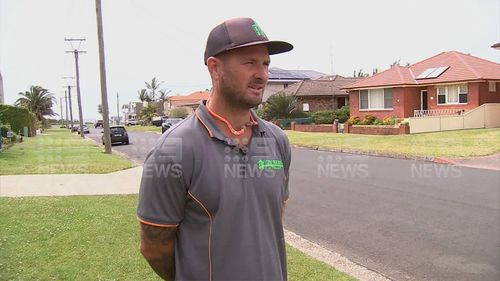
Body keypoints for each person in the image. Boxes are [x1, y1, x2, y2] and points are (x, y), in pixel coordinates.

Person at [137, 17, 293, 281]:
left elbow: (273, 219)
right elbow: (154, 247)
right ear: (214, 68)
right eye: (249, 63)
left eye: (265, 63)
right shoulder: (174, 150)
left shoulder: (276, 140)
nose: (262, 74)